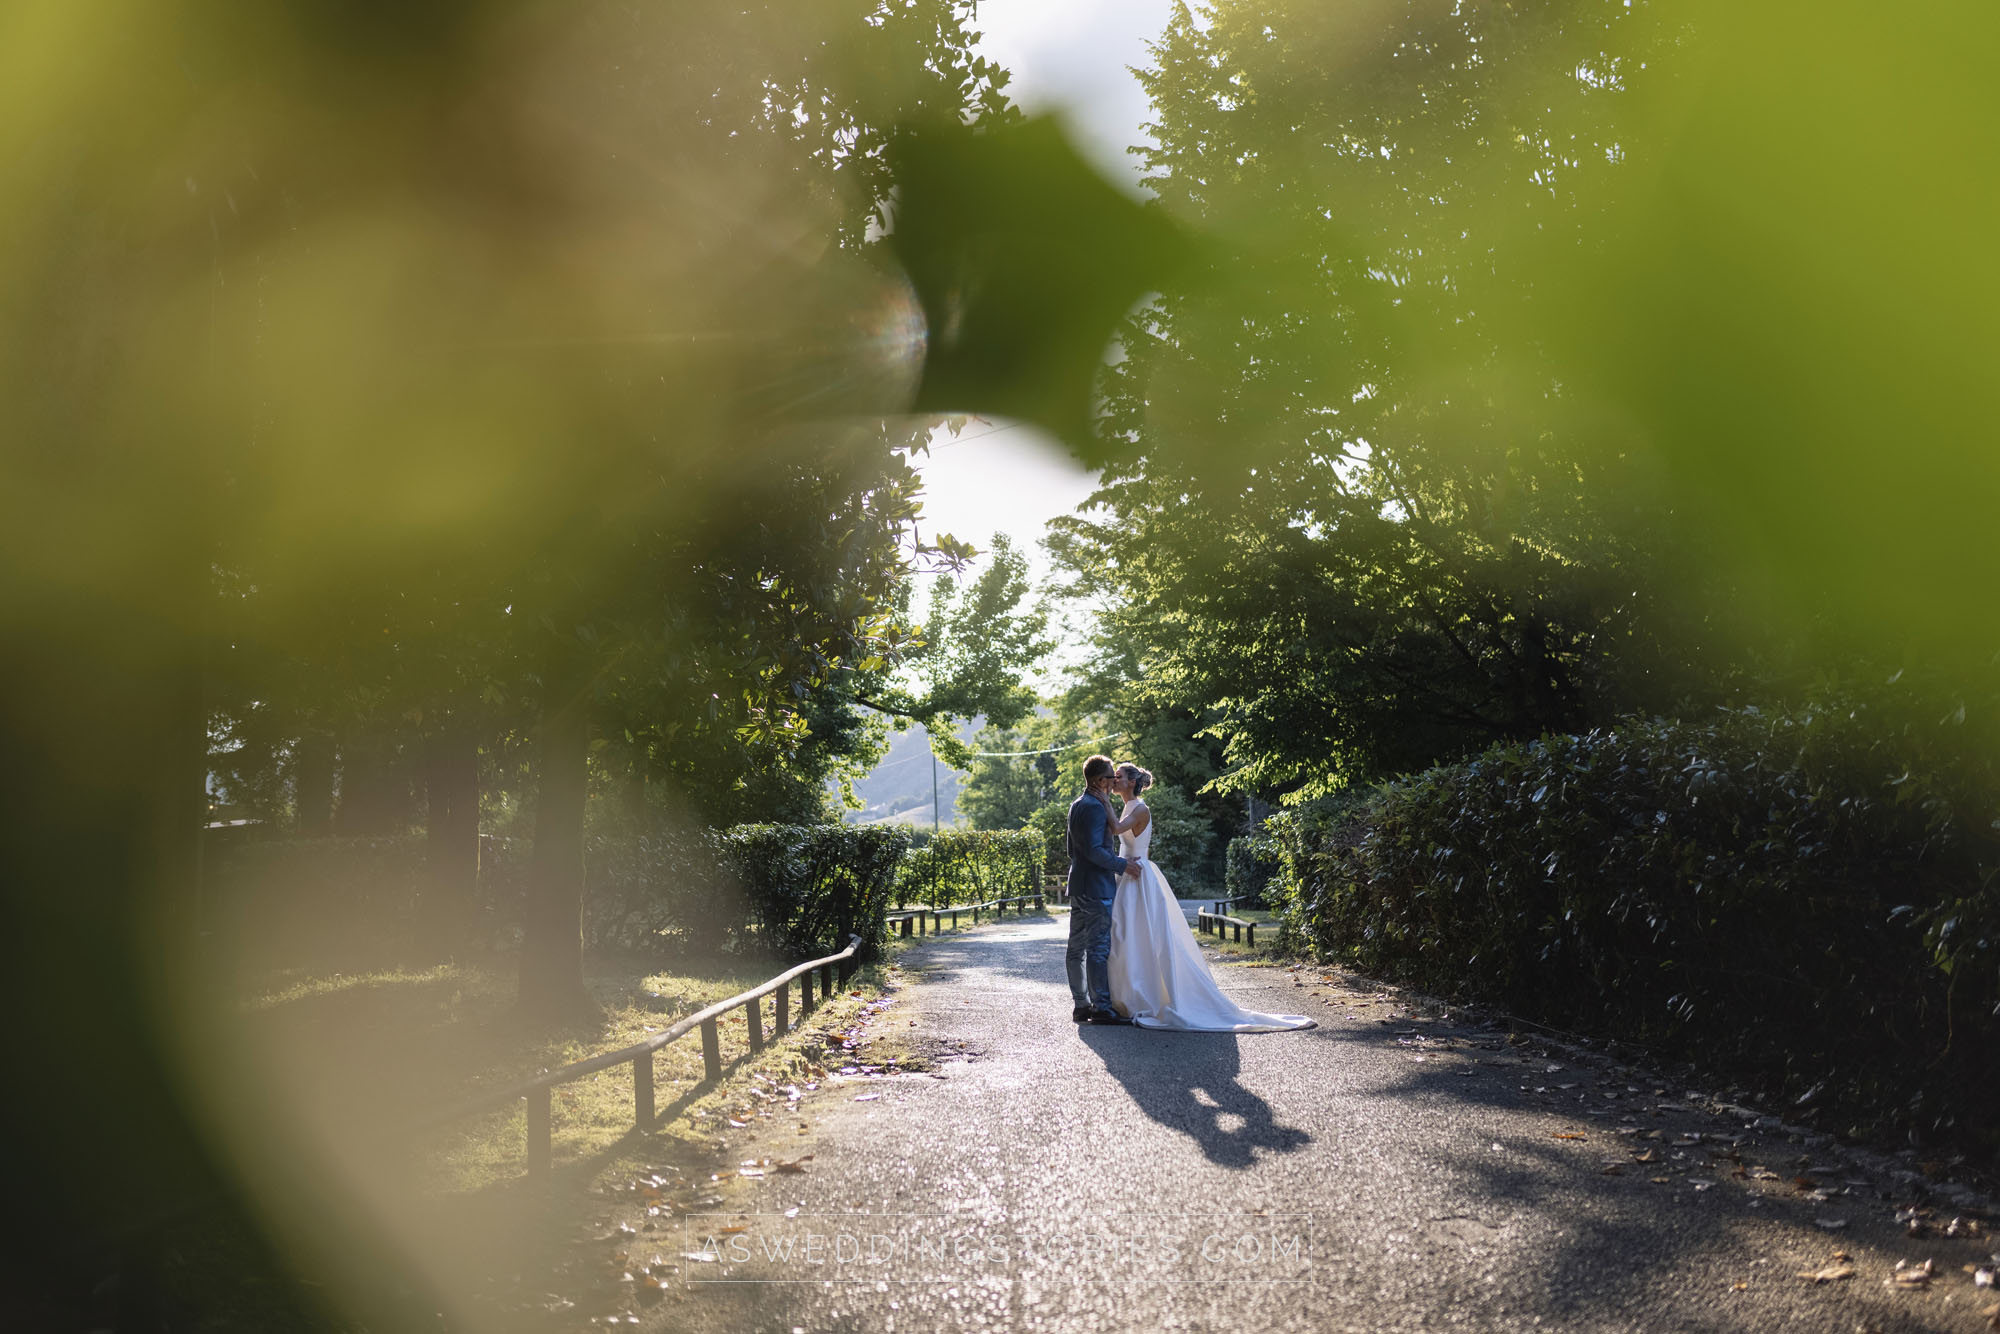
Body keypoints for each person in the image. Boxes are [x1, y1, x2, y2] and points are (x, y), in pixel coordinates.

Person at [1103, 762, 1315, 1032]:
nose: (1113, 780)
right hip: (1127, 874)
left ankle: (1144, 995)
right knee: (1126, 936)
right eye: (1112, 777)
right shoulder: (1127, 805)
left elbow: (1117, 829)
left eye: (1117, 777)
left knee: (1139, 935)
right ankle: (1126, 995)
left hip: (1139, 876)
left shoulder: (1140, 808)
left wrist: (1101, 796)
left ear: (1131, 782)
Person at [1064, 754, 1133, 1024]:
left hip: (1078, 883)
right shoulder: (1094, 807)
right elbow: (1094, 850)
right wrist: (1122, 865)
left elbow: (1072, 849)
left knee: (1075, 949)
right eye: (1109, 778)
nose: (1113, 782)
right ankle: (1101, 1007)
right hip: (1096, 886)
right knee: (1098, 948)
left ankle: (1081, 1005)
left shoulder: (1076, 804)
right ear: (1096, 780)